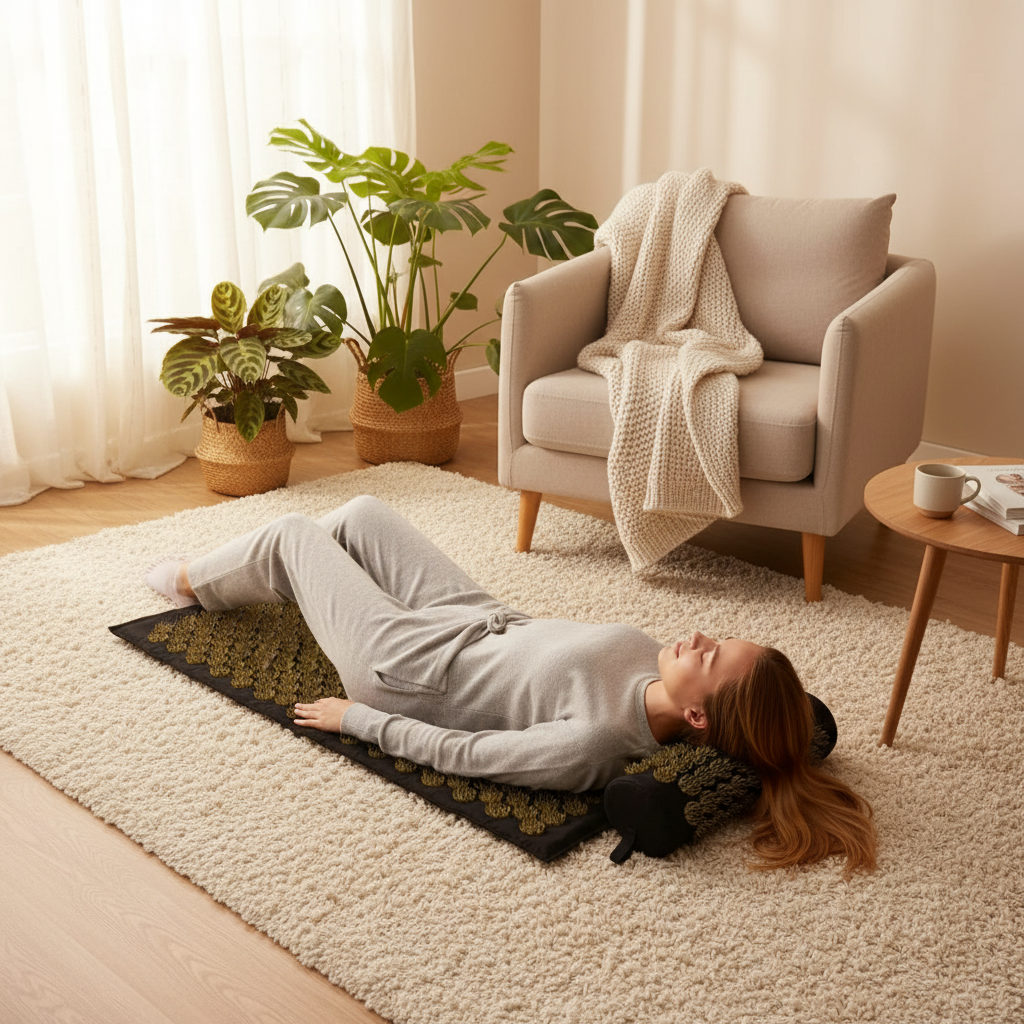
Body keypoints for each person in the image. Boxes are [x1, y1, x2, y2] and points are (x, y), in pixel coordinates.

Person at [145, 494, 876, 874]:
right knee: (361, 516)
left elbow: (466, 755)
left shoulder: (592, 745)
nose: (698, 639)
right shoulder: (657, 663)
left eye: (711, 659)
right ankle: (285, 581)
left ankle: (190, 582)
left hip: (403, 665)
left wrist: (358, 720)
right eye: (719, 641)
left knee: (295, 533)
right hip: (473, 616)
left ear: (694, 717)